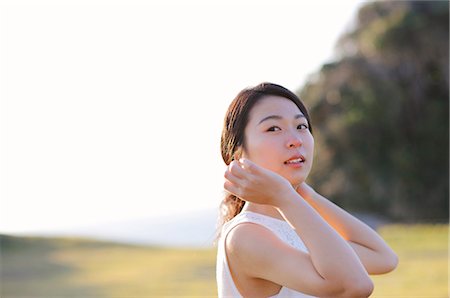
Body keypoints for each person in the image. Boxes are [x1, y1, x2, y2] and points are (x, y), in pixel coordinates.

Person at [216, 82, 398, 298]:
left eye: (301, 126)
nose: (295, 140)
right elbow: (355, 285)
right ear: (238, 154)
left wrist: (306, 196)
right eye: (273, 128)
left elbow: (383, 257)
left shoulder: (298, 226)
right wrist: (285, 197)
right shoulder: (244, 236)